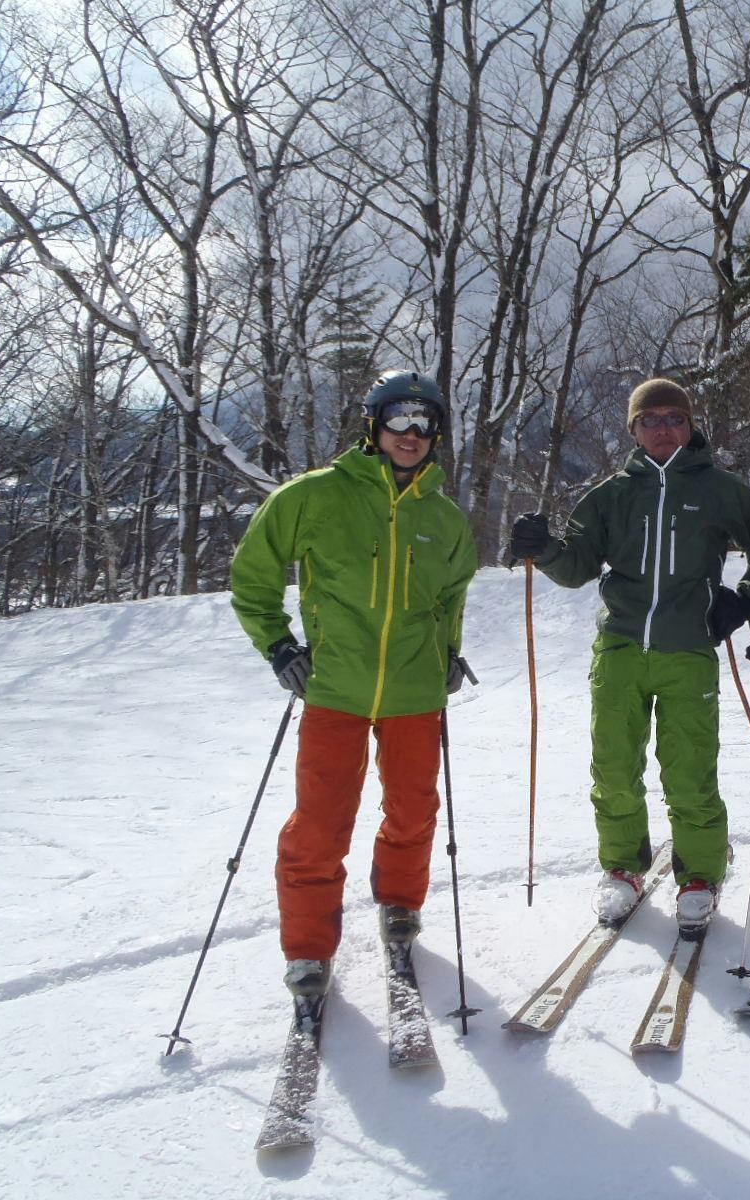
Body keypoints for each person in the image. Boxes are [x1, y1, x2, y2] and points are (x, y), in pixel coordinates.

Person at [230, 370, 479, 998]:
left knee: (415, 809)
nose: (411, 433)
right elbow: (253, 575)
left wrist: (449, 654)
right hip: (335, 688)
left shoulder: (444, 519)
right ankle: (309, 948)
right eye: (398, 418)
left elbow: (450, 597)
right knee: (320, 823)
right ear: (374, 424)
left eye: (425, 423)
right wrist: (280, 645)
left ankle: (399, 902)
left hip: (415, 693)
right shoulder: (314, 496)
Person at [508, 379, 750, 934]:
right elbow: (577, 566)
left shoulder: (720, 489)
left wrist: (744, 598)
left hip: (688, 650)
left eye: (674, 417)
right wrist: (545, 548)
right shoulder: (611, 494)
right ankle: (623, 868)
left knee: (690, 768)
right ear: (633, 429)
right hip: (621, 648)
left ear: (690, 425)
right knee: (614, 766)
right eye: (649, 419)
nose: (662, 427)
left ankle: (699, 874)